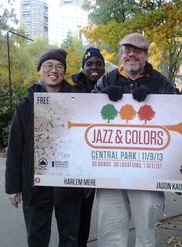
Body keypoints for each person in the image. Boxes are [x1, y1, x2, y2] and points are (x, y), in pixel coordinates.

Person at [94, 33, 176, 247]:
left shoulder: (159, 81)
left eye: (137, 50)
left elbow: (177, 112)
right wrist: (100, 98)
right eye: (127, 50)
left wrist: (155, 100)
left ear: (146, 54)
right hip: (110, 170)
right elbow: (87, 113)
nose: (131, 54)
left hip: (147, 172)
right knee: (110, 229)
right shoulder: (107, 79)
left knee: (145, 230)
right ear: (121, 54)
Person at [5, 49, 84, 247]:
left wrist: (89, 180)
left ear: (64, 72)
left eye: (59, 66)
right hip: (36, 184)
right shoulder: (27, 104)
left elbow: (86, 142)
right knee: (37, 238)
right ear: (39, 70)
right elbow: (15, 147)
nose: (54, 70)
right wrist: (13, 187)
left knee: (70, 238)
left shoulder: (79, 101)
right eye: (48, 65)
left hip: (69, 182)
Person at [72, 47, 105, 247]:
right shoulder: (72, 91)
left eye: (98, 63)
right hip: (80, 164)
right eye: (89, 63)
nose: (94, 67)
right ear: (83, 67)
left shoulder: (112, 86)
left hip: (106, 160)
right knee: (78, 217)